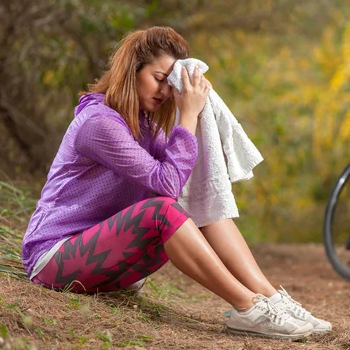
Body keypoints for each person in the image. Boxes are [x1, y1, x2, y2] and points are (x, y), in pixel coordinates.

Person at [21, 26, 331, 340]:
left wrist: (198, 110)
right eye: (159, 78)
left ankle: (269, 297)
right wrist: (189, 116)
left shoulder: (144, 128)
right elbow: (166, 184)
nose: (166, 92)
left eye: (170, 83)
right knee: (163, 210)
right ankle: (247, 307)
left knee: (193, 200)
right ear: (132, 71)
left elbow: (186, 183)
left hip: (102, 266)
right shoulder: (98, 123)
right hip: (54, 260)